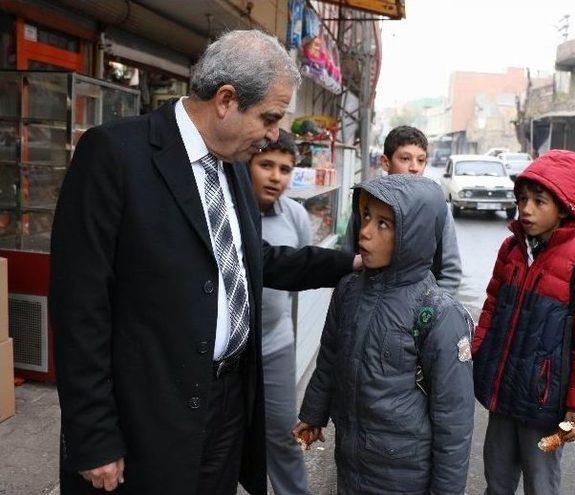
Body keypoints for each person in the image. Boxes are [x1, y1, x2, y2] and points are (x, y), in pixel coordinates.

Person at [50, 30, 359, 495]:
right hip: (147, 416)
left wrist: (348, 264)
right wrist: (93, 435)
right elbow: (80, 307)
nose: (275, 135)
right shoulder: (114, 155)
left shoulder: (232, 163)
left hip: (227, 408)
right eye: (270, 118)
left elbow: (250, 260)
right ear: (226, 100)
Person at [293, 175, 475, 494]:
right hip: (351, 465)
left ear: (413, 235)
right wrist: (313, 414)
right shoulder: (348, 290)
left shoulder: (437, 314)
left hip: (405, 477)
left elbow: (454, 423)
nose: (365, 231)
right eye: (365, 216)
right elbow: (329, 359)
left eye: (384, 224)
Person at [472, 150, 575, 495]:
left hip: (545, 405)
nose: (527, 209)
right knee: (498, 483)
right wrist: (476, 354)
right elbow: (492, 306)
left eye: (539, 201)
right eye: (522, 199)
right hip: (503, 395)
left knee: (541, 485)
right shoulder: (511, 250)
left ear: (564, 207)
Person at [247, 130, 312, 494]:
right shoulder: (227, 210)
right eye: (266, 165)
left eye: (285, 169)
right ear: (247, 164)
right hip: (224, 350)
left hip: (275, 346)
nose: (276, 176)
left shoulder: (295, 216)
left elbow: (301, 266)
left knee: (284, 435)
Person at [343, 125, 462, 295]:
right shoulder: (367, 202)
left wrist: (429, 314)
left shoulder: (436, 208)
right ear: (385, 162)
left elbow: (450, 272)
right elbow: (348, 260)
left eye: (421, 160)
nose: (415, 167)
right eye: (405, 159)